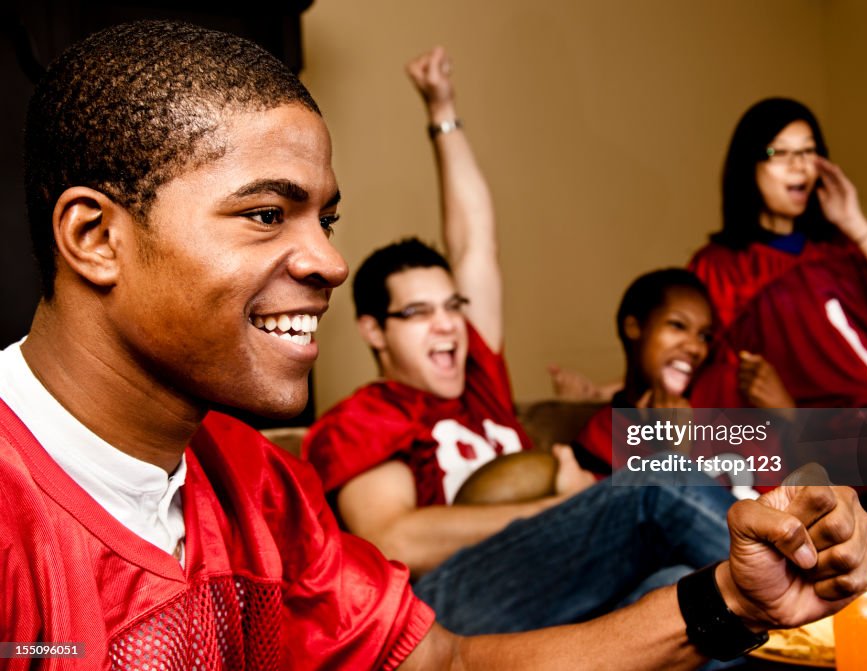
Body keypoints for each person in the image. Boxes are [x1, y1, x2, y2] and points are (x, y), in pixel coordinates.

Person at [0, 23, 867, 670]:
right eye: (267, 214)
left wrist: (732, 599)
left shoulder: (261, 483)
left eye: (326, 219)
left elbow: (442, 664)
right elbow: (401, 535)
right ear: (94, 236)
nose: (329, 261)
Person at [304, 46, 744, 635]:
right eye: (417, 313)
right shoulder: (364, 416)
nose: (447, 324)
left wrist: (444, 111)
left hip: (549, 587)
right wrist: (565, 505)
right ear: (374, 330)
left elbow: (475, 245)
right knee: (655, 475)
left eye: (453, 306)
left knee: (696, 599)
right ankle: (834, 609)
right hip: (446, 606)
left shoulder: (480, 385)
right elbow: (394, 537)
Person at [687, 97, 867, 410]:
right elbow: (694, 355)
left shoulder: (841, 248)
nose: (799, 165)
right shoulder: (720, 264)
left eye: (808, 150)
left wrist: (853, 222)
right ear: (749, 165)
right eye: (779, 153)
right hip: (823, 437)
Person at [572, 267, 793, 495]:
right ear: (634, 328)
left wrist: (788, 413)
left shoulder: (732, 388)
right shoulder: (598, 440)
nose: (695, 348)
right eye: (678, 325)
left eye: (704, 336)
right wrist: (675, 454)